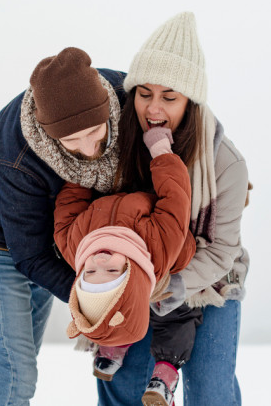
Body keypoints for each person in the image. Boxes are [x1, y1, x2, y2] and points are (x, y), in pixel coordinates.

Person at [97, 12, 252, 405]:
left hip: (209, 280)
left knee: (211, 393)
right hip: (133, 275)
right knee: (124, 388)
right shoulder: (117, 147)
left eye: (170, 97)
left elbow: (220, 251)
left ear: (191, 102)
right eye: (145, 93)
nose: (153, 109)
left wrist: (164, 285)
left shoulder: (225, 163)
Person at [0, 47, 127, 405]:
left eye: (96, 131)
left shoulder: (123, 94)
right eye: (71, 141)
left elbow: (180, 108)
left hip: (51, 243)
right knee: (16, 375)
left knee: (7, 371)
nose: (88, 148)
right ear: (50, 134)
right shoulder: (17, 155)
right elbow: (30, 255)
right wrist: (91, 302)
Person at [53, 126, 201, 405]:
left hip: (105, 175)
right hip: (151, 242)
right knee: (173, 313)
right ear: (129, 273)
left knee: (129, 310)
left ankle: (113, 340)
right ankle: (125, 347)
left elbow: (69, 202)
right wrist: (160, 152)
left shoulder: (74, 245)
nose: (99, 261)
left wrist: (86, 165)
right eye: (111, 271)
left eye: (90, 273)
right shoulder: (159, 245)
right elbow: (175, 198)